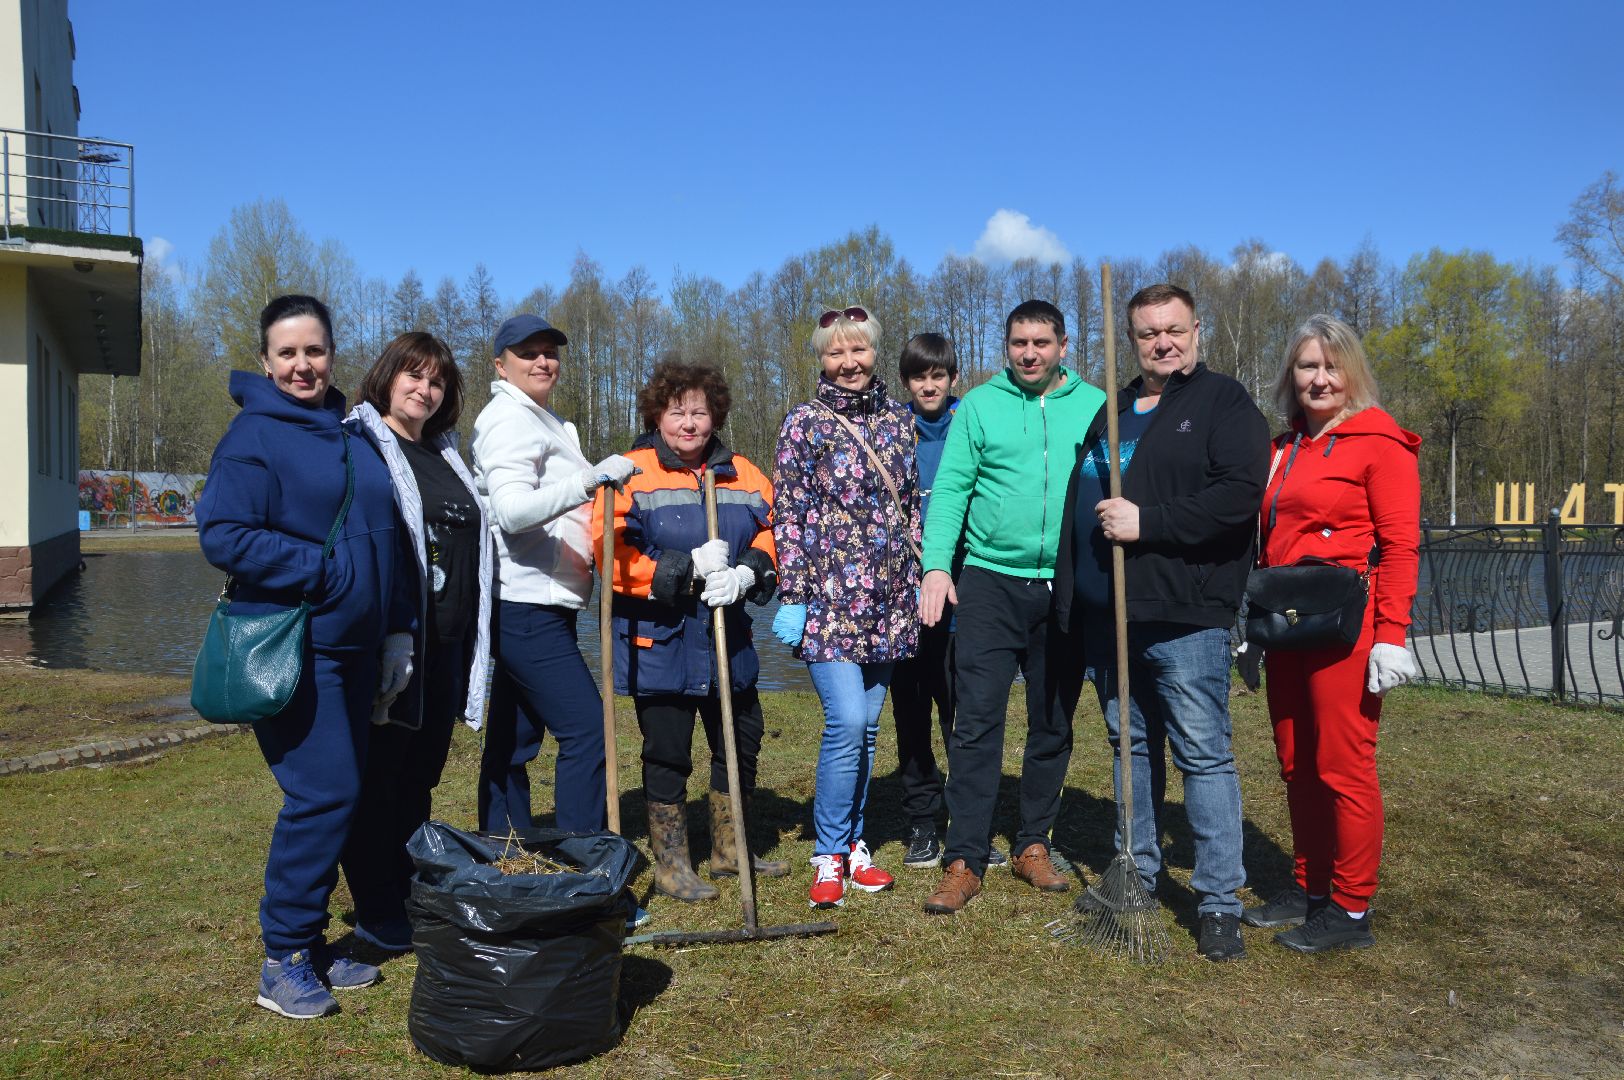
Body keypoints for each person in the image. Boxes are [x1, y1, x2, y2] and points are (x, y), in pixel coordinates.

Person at [196, 295, 414, 1019]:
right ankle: (283, 955)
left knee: (345, 795)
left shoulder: (350, 433)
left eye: (313, 351)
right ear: (265, 361)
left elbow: (383, 533)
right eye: (287, 353)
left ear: (331, 355)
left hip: (355, 651)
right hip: (297, 646)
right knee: (323, 796)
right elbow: (224, 533)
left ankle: (312, 943)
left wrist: (393, 630)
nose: (302, 364)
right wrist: (320, 571)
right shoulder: (252, 436)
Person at [1054, 282, 1269, 961]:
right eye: (1148, 333)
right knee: (1130, 748)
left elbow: (1237, 498)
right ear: (1132, 340)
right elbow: (1079, 504)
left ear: (1197, 330)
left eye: (1173, 329)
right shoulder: (1111, 410)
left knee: (1202, 756)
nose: (1162, 342)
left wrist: (1148, 524)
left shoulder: (1222, 402)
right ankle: (1137, 874)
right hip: (1115, 617)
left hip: (1186, 613)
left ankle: (1217, 903)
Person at [918, 300, 1104, 915]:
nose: (1030, 354)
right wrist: (938, 567)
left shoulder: (1097, 407)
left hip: (1066, 586)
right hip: (991, 582)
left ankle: (1032, 843)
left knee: (1052, 721)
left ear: (1064, 345)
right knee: (975, 721)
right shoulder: (979, 406)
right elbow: (951, 489)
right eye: (1019, 343)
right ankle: (965, 856)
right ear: (1007, 346)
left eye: (1042, 342)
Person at [1243, 314, 1421, 953]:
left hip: (1347, 628)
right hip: (1287, 625)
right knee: (1296, 761)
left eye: (1331, 366)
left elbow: (1401, 546)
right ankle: (1309, 885)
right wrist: (1252, 625)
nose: (1319, 379)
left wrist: (1392, 634)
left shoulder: (1382, 443)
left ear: (1352, 372)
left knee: (1342, 765)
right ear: (1291, 376)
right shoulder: (1282, 449)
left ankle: (1349, 909)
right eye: (1306, 367)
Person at [591, 359, 788, 902]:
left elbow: (779, 535)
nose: (689, 423)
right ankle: (673, 864)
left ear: (715, 416)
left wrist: (750, 569)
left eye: (700, 412)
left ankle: (731, 848)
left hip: (730, 639)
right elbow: (609, 553)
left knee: (740, 742)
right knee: (668, 751)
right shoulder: (628, 471)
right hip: (662, 644)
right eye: (677, 411)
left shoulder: (744, 475)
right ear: (658, 414)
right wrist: (681, 570)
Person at [343, 332, 494, 954]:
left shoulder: (445, 452)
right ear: (387, 377)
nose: (424, 390)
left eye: (435, 381)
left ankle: (406, 893)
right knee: (379, 776)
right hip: (396, 641)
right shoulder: (361, 446)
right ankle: (375, 911)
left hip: (448, 644)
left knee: (420, 774)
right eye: (413, 376)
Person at [772, 305, 920, 909]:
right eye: (836, 353)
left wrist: (918, 580)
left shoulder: (898, 421)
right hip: (831, 602)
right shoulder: (804, 423)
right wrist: (796, 595)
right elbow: (789, 514)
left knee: (867, 732)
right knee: (847, 721)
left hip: (889, 601)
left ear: (874, 354)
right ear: (821, 360)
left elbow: (910, 507)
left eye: (857, 350)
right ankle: (828, 853)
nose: (848, 362)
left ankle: (856, 846)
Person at [472, 314, 636, 835]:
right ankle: (586, 862)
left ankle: (502, 847)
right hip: (524, 605)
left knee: (514, 737)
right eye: (528, 352)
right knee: (587, 728)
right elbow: (513, 512)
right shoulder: (508, 419)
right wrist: (589, 482)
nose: (543, 361)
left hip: (547, 602)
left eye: (550, 352)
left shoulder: (545, 420)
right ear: (500, 365)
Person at [889, 333, 960, 870]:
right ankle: (921, 822)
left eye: (938, 375)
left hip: (964, 601)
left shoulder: (971, 425)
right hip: (904, 606)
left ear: (952, 378)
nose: (929, 385)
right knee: (911, 717)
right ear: (906, 382)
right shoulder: (891, 431)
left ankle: (967, 819)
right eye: (919, 376)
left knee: (966, 718)